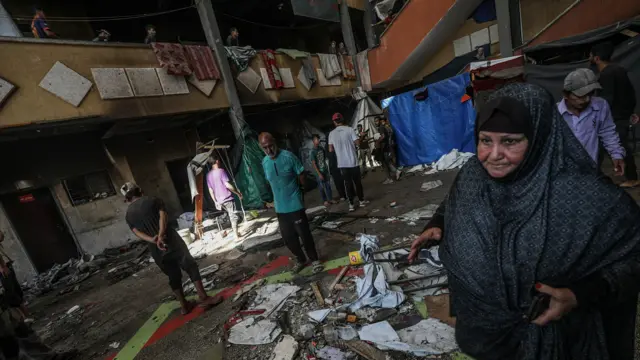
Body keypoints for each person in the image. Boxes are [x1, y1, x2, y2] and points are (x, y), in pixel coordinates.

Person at [408, 83, 640, 360]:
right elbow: (454, 203)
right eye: (485, 140)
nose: (493, 155)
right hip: (486, 335)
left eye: (510, 141)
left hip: (561, 343)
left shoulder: (590, 198)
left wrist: (581, 293)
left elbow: (633, 256)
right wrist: (437, 224)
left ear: (539, 137)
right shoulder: (473, 175)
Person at [121, 183, 220, 315]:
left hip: (155, 248)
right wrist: (161, 235)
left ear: (127, 199)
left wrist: (153, 239)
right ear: (140, 190)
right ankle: (204, 298)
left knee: (173, 274)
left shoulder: (129, 214)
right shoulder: (153, 200)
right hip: (171, 240)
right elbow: (163, 217)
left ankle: (184, 306)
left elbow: (136, 232)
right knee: (190, 266)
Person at [259, 133, 323, 274]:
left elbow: (301, 173)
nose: (269, 150)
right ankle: (301, 260)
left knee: (304, 234)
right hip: (280, 207)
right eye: (265, 147)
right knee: (288, 238)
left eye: (270, 146)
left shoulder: (288, 156)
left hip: (295, 203)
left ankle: (314, 260)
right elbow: (270, 180)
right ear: (261, 147)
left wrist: (301, 189)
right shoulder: (265, 162)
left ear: (275, 142)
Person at [558, 68, 625, 176]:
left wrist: (616, 154)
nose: (587, 99)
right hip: (562, 172)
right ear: (566, 95)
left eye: (590, 94)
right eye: (581, 95)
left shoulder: (600, 105)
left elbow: (607, 131)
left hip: (591, 169)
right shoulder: (554, 113)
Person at [591, 42, 639, 187]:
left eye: (591, 56)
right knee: (622, 146)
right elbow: (631, 95)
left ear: (597, 58)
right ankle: (630, 176)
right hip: (622, 116)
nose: (590, 58)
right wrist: (631, 112)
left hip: (613, 118)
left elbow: (607, 100)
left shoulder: (607, 74)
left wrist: (598, 118)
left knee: (618, 147)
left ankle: (631, 178)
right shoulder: (619, 70)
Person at [328, 113, 368, 212]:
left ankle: (351, 205)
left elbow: (330, 149)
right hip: (353, 162)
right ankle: (361, 201)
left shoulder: (331, 134)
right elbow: (357, 143)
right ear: (342, 120)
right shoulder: (350, 129)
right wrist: (361, 137)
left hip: (342, 164)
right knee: (357, 182)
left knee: (347, 184)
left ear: (334, 122)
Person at [206, 154, 243, 239]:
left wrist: (215, 201)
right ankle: (236, 235)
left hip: (219, 201)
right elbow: (227, 185)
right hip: (227, 198)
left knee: (232, 215)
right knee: (233, 217)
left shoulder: (208, 175)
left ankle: (236, 232)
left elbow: (210, 190)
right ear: (217, 161)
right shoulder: (221, 171)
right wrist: (238, 193)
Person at [0, 232, 30, 324]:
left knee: (12, 294)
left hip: (4, 268)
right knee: (13, 294)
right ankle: (24, 318)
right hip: (5, 267)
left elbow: (1, 236)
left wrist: (2, 266)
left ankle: (24, 318)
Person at [375, 116, 401, 184]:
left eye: (377, 121)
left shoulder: (381, 128)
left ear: (380, 121)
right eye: (375, 121)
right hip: (386, 147)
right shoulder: (383, 127)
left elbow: (383, 136)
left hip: (384, 148)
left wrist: (378, 141)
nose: (376, 122)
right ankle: (393, 175)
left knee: (385, 163)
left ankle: (392, 176)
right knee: (387, 162)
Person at [310, 135, 334, 207]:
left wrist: (327, 168)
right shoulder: (313, 151)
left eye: (318, 139)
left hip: (325, 170)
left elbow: (325, 159)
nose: (318, 140)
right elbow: (314, 164)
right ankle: (325, 200)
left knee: (328, 185)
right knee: (321, 187)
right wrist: (319, 173)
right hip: (319, 172)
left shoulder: (321, 148)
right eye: (317, 139)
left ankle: (330, 199)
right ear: (313, 141)